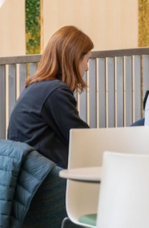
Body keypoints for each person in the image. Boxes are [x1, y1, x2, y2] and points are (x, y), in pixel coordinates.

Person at [7, 26, 92, 168]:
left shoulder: (38, 87)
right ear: (74, 58)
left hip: (28, 175)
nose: (87, 67)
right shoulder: (56, 92)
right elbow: (82, 139)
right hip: (43, 178)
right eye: (87, 59)